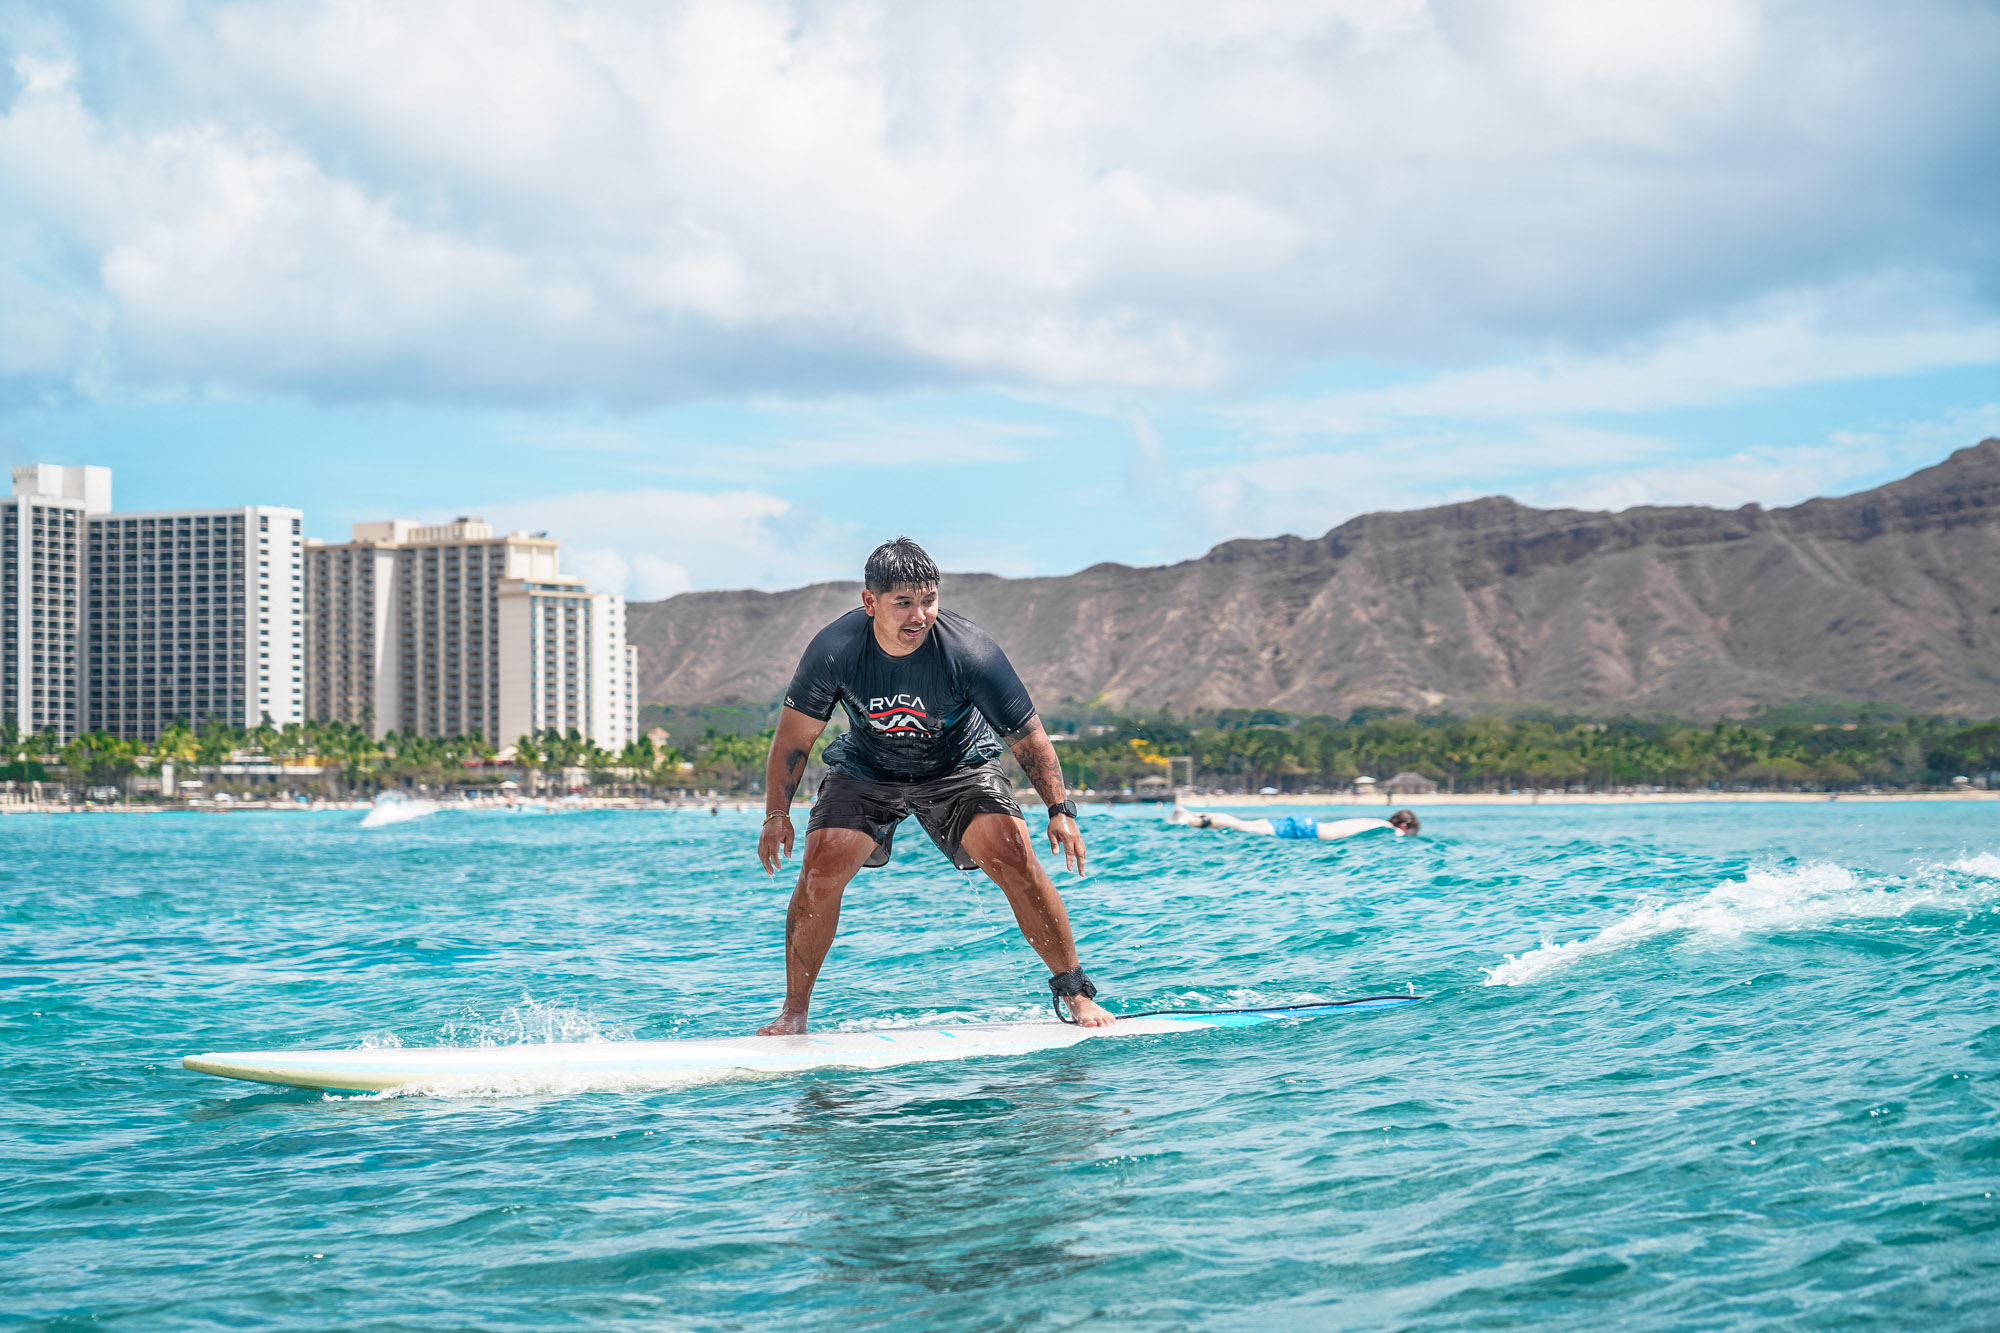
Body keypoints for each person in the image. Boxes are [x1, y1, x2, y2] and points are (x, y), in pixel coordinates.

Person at [755, 537, 1113, 1033]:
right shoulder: (834, 651)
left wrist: (1060, 810)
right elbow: (792, 742)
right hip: (867, 768)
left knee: (1013, 855)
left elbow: (1029, 738)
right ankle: (794, 1013)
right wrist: (777, 816)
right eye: (903, 603)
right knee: (821, 866)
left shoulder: (970, 652)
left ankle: (1075, 993)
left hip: (958, 767)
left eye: (928, 600)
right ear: (870, 603)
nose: (919, 615)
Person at [1167, 802, 1419, 840]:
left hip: (1306, 824)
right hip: (1307, 830)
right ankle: (1191, 819)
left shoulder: (1376, 820)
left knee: (1245, 824)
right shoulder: (1390, 831)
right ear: (1405, 827)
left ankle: (1191, 817)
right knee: (1243, 826)